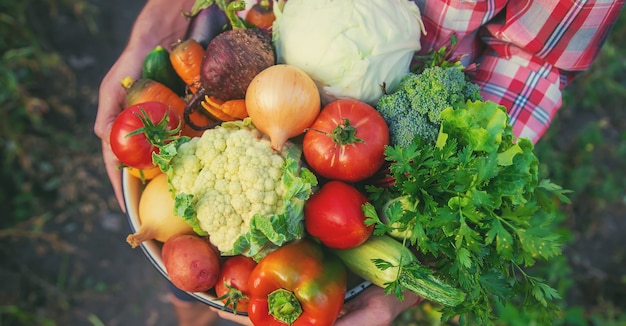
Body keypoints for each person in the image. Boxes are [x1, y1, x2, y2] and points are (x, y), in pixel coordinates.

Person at [94, 0, 624, 325]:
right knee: (189, 278)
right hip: (229, 37)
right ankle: (191, 314)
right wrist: (159, 27)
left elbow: (534, 59)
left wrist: (402, 290)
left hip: (393, 107)